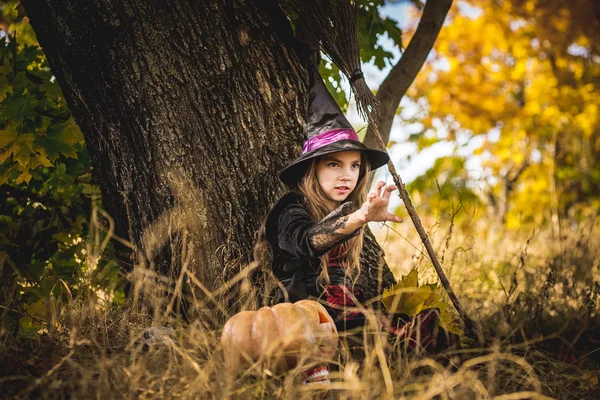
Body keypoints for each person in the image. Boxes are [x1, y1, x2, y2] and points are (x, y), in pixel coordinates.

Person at [252, 67, 455, 379]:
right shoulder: (292, 206)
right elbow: (307, 241)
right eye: (334, 164)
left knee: (422, 331)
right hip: (299, 320)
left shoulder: (344, 210)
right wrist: (360, 217)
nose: (346, 174)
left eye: (354, 166)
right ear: (313, 169)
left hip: (343, 314)